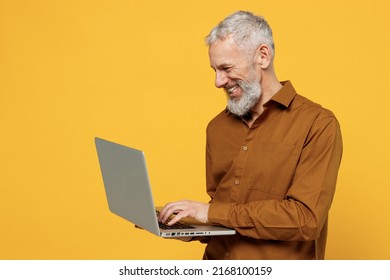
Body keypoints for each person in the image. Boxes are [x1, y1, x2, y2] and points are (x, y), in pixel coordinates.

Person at [158, 10, 343, 260]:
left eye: (226, 68)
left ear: (263, 56)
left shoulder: (317, 124)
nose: (218, 81)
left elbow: (305, 219)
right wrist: (188, 223)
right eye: (214, 70)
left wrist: (209, 213)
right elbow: (221, 210)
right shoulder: (217, 127)